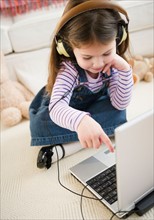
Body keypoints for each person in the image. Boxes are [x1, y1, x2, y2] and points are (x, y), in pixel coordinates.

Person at [29, 0, 133, 169]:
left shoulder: (114, 64)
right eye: (87, 57)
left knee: (119, 112)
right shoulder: (69, 69)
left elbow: (119, 102)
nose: (98, 63)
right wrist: (81, 122)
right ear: (68, 49)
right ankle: (84, 136)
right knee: (40, 124)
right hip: (61, 108)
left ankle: (69, 145)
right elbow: (56, 108)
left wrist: (125, 70)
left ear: (119, 38)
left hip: (91, 107)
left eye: (106, 53)